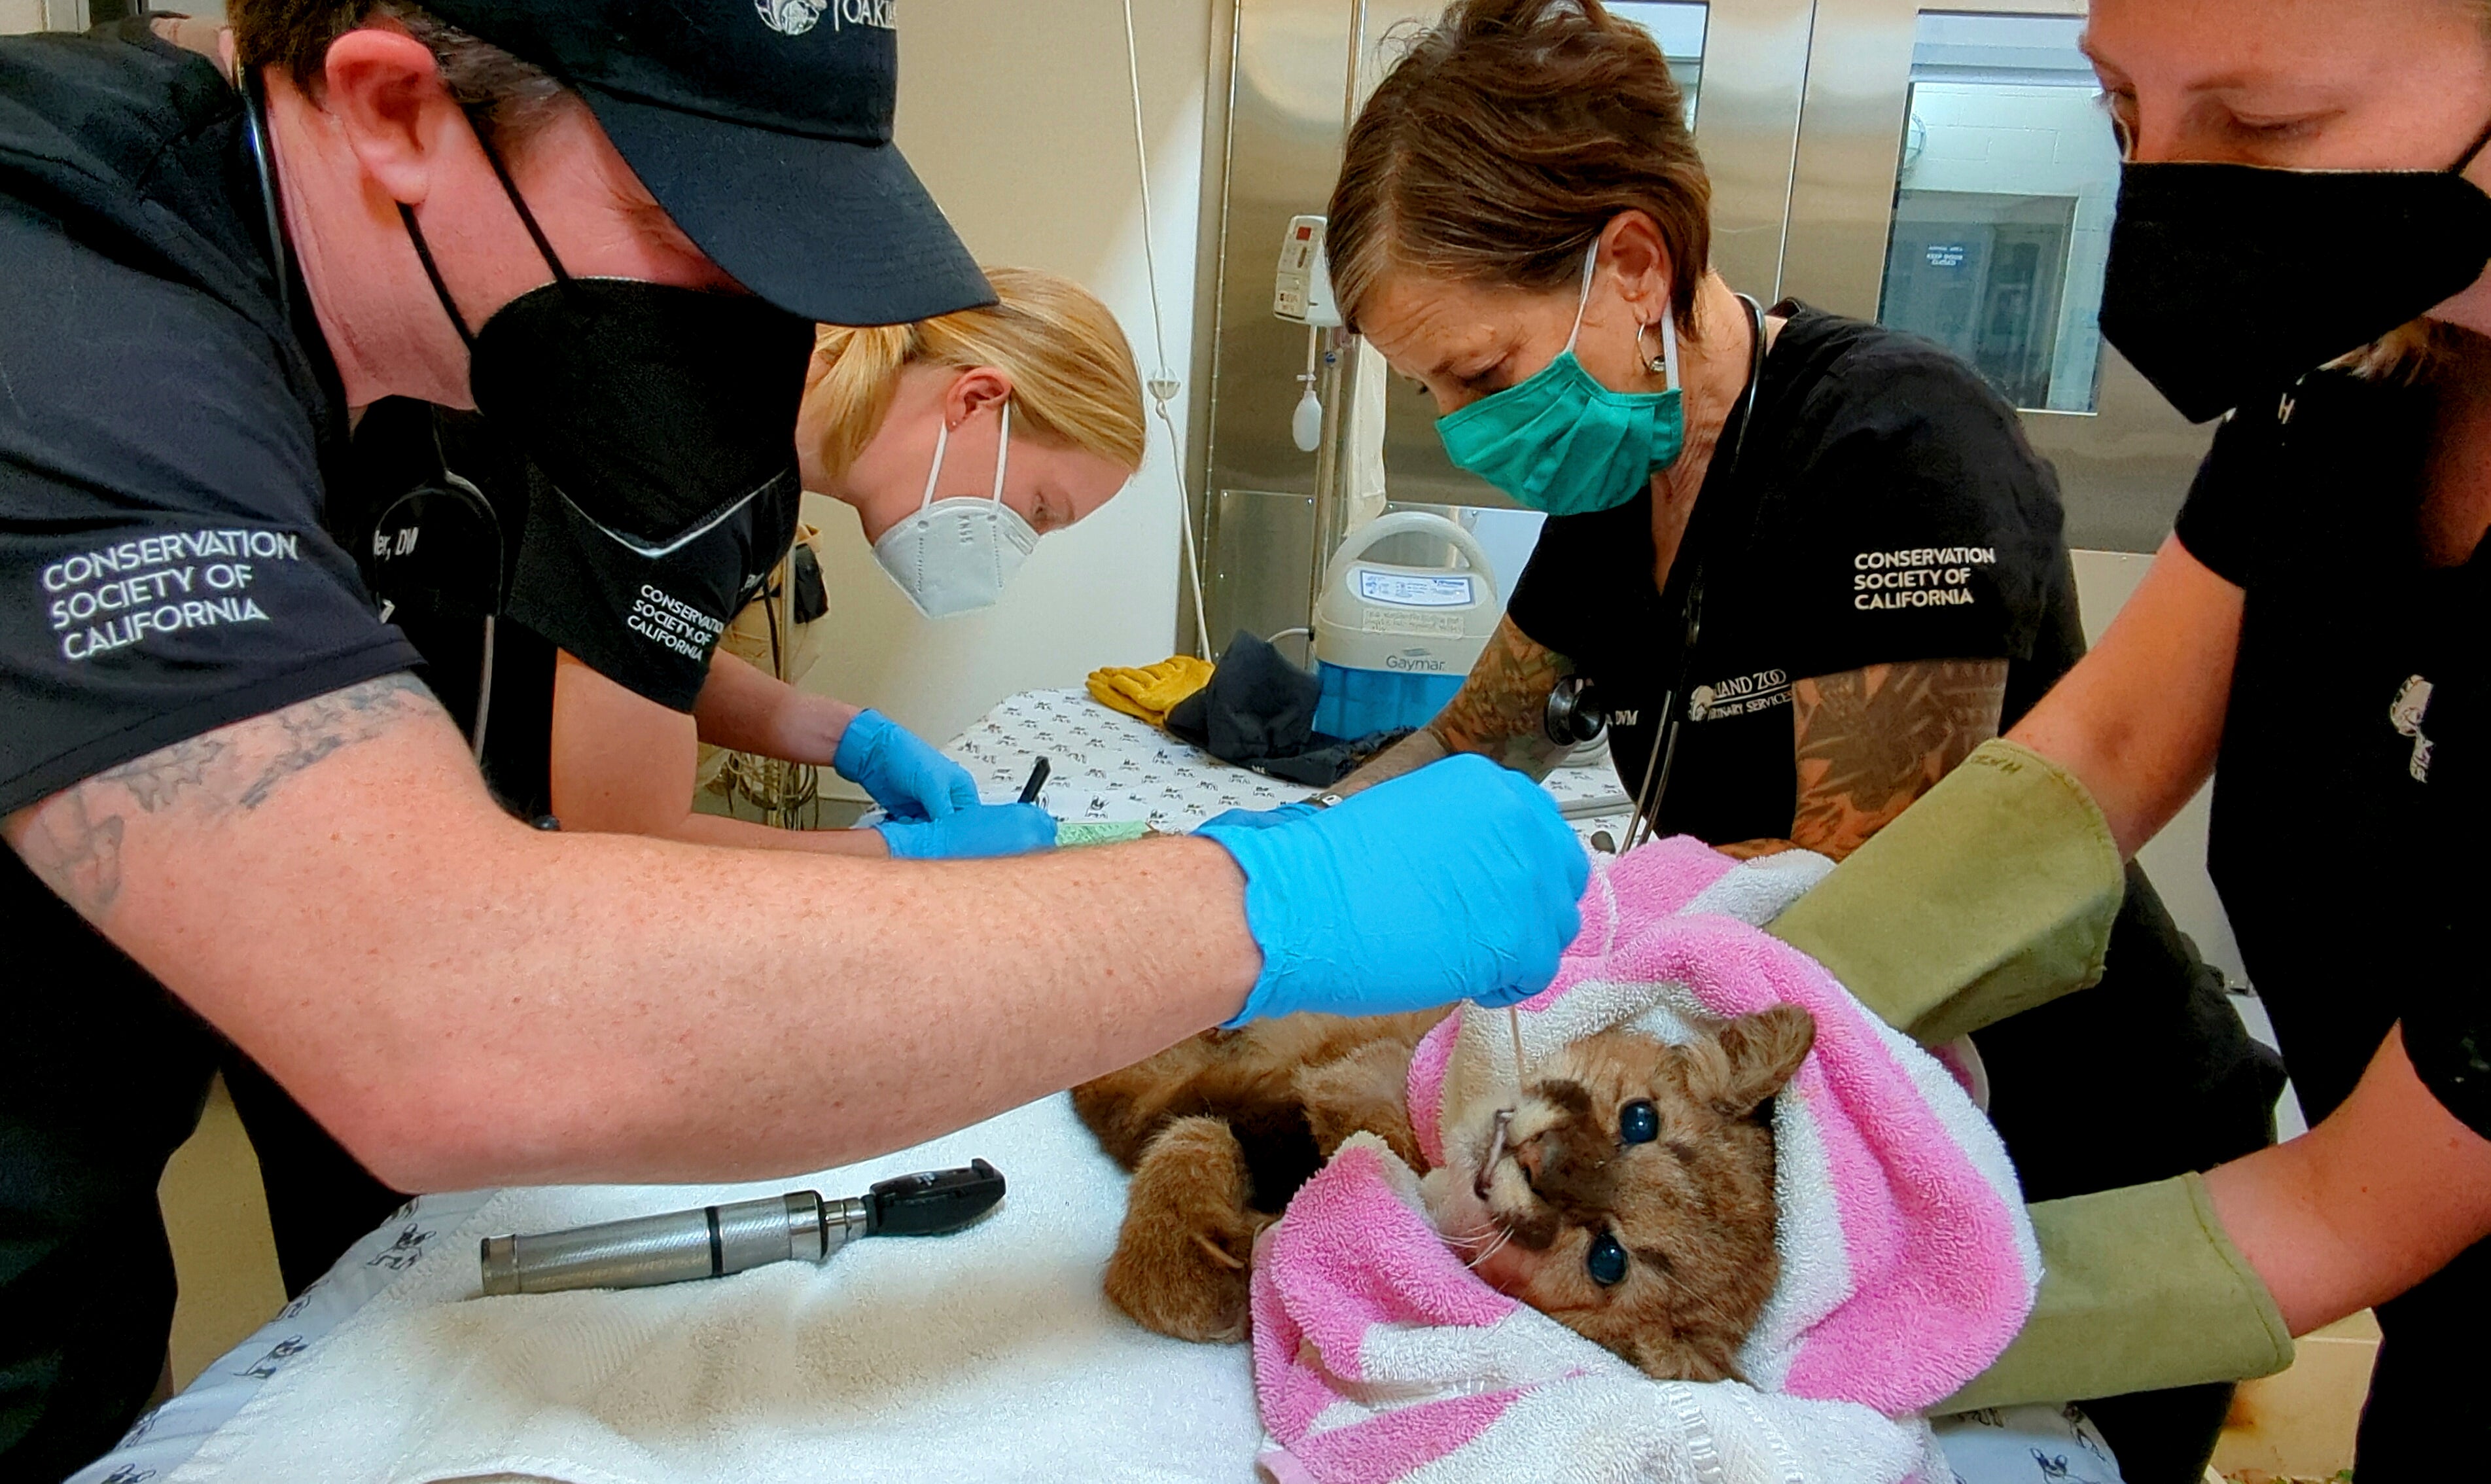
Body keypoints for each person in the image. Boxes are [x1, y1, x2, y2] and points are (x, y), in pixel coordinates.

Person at [0, 6, 1589, 1477]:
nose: (758, 331)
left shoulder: (394, 323)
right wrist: (1251, 907)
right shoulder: (74, 317)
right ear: (394, 106)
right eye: (688, 233)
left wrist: (836, 743)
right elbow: (448, 1006)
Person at [1245, 4, 2276, 1474]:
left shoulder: (1894, 454)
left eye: (1479, 374)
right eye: (1434, 392)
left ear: (1632, 265)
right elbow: (1480, 748)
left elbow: (1832, 916)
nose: (1465, 427)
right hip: (1750, 1169)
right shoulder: (1622, 477)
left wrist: (1521, 969)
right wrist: (1263, 883)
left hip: (2041, 1159)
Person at [1850, 0, 2488, 1473]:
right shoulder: (2348, 389)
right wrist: (1768, 984)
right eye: (2121, 112)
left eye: (2262, 128)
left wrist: (1822, 1307)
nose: (2169, 191)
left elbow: (2349, 1208)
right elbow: (2110, 745)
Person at [442, 268, 1146, 860]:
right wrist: (908, 858)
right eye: (1038, 510)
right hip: (428, 788)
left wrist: (846, 738)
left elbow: (624, 642)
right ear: (975, 399)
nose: (1017, 543)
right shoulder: (699, 460)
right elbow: (628, 839)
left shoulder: (759, 450)